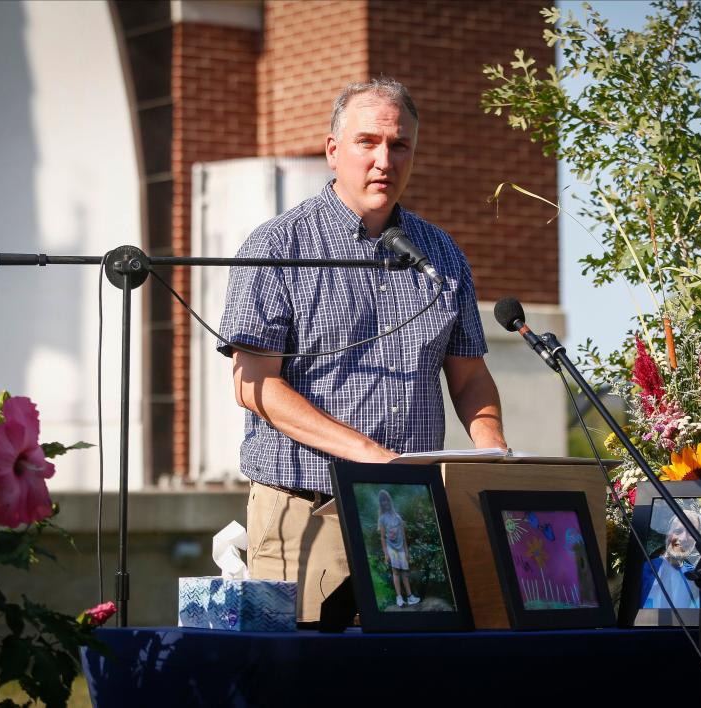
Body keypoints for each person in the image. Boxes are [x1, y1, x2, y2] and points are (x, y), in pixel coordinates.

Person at [217, 77, 507, 623]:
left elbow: (469, 379)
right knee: (300, 680)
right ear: (332, 151)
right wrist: (377, 459)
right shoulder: (277, 246)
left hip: (412, 511)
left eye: (399, 146)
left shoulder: (441, 253)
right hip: (304, 507)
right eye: (367, 142)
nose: (384, 160)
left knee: (403, 677)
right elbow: (254, 385)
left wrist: (493, 457)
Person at [640, 510, 701, 609]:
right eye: (678, 531)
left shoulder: (695, 577)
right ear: (667, 534)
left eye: (691, 533)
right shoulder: (646, 569)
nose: (683, 538)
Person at [376, 489, 419, 608]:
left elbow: (403, 537)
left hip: (401, 549)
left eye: (386, 500)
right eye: (382, 501)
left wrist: (406, 551)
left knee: (404, 573)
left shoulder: (398, 517)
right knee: (396, 572)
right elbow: (383, 538)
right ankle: (399, 598)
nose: (385, 503)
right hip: (392, 549)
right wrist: (386, 553)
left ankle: (410, 597)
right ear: (381, 504)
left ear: (390, 501)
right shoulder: (382, 518)